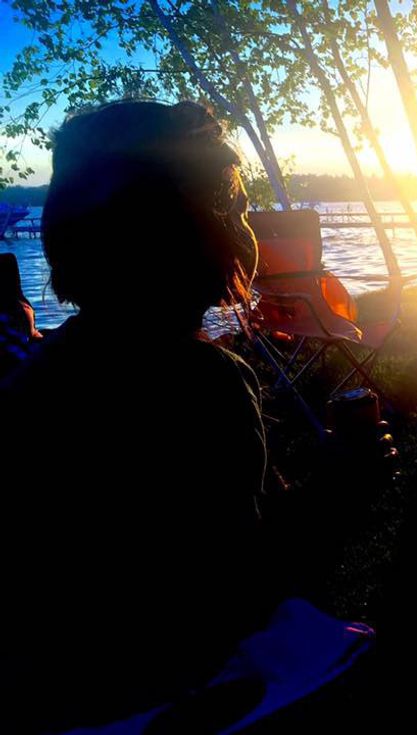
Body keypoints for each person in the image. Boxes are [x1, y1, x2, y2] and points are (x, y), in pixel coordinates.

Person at [0, 100, 271, 733]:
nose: (246, 225)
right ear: (200, 235)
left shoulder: (35, 382)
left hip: (47, 696)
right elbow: (241, 586)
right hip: (155, 697)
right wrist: (347, 483)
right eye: (235, 209)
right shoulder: (207, 388)